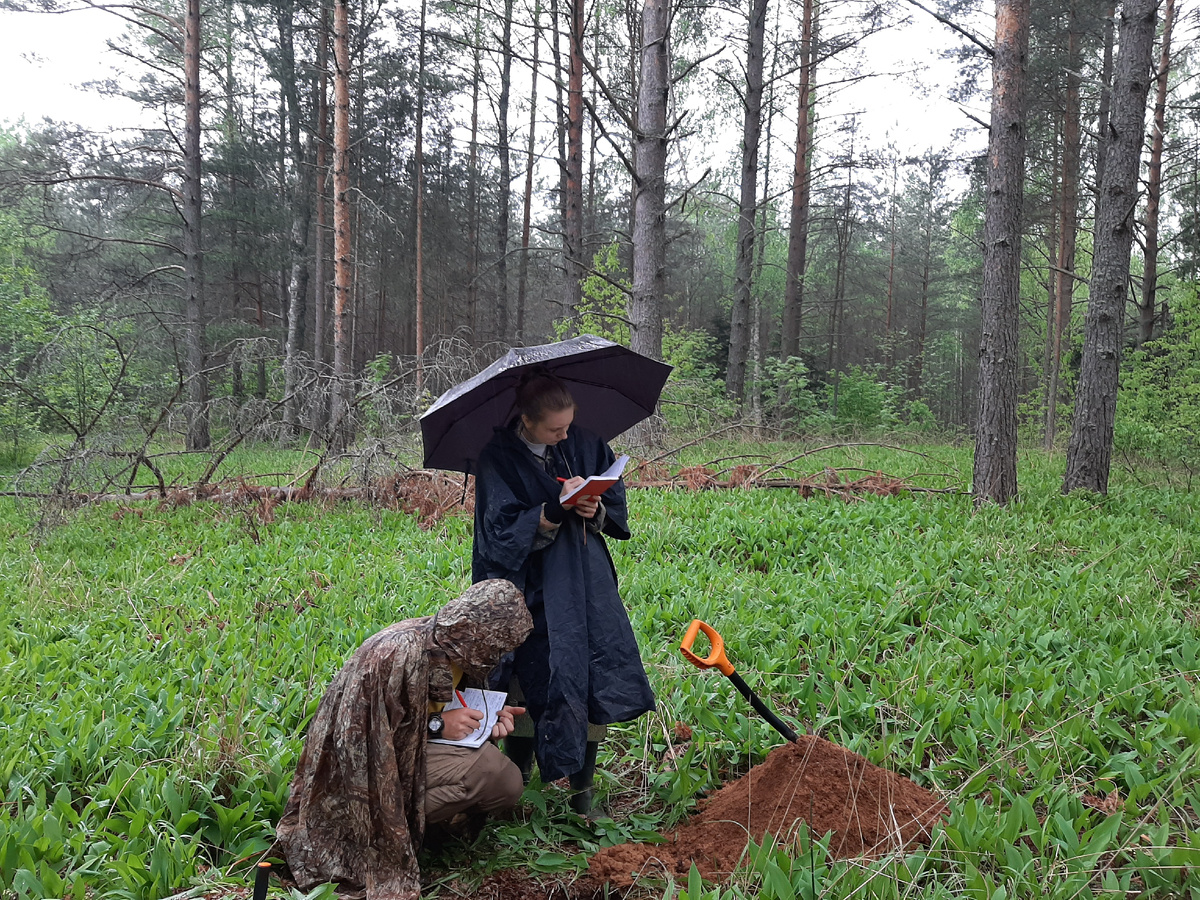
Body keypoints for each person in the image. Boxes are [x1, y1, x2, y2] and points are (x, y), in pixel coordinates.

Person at [274, 579, 533, 900]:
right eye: (498, 646)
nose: (498, 655)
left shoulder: (450, 647)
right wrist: (439, 725)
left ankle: (424, 828)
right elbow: (360, 740)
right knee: (489, 771)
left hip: (408, 754)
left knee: (505, 781)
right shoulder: (397, 655)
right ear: (479, 634)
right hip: (356, 785)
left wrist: (487, 715)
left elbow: (437, 702)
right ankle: (372, 836)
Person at [471, 370, 656, 815]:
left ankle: (581, 792)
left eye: (568, 425)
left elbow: (613, 506)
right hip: (526, 588)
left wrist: (592, 508)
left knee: (586, 672)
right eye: (555, 429)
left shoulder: (583, 444)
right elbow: (497, 534)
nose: (564, 434)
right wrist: (553, 510)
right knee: (527, 678)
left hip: (583, 586)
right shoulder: (498, 458)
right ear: (528, 421)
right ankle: (517, 780)